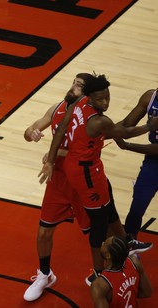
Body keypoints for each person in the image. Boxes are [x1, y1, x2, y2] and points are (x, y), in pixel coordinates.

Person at [23, 74, 152, 302]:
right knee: (73, 227)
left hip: (83, 173)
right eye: (73, 82)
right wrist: (149, 126)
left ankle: (122, 256)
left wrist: (53, 157)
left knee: (105, 219)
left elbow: (69, 135)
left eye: (79, 85)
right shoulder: (77, 113)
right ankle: (65, 273)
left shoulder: (84, 110)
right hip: (73, 177)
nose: (106, 102)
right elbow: (120, 132)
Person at [114, 88, 158, 240]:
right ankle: (129, 244)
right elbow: (127, 124)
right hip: (153, 163)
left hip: (154, 153)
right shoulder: (149, 97)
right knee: (137, 206)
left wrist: (128, 146)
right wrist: (103, 132)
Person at [91, 235, 152, 307]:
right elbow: (147, 292)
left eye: (105, 244)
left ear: (108, 255)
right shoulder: (134, 262)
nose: (102, 243)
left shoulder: (100, 284)